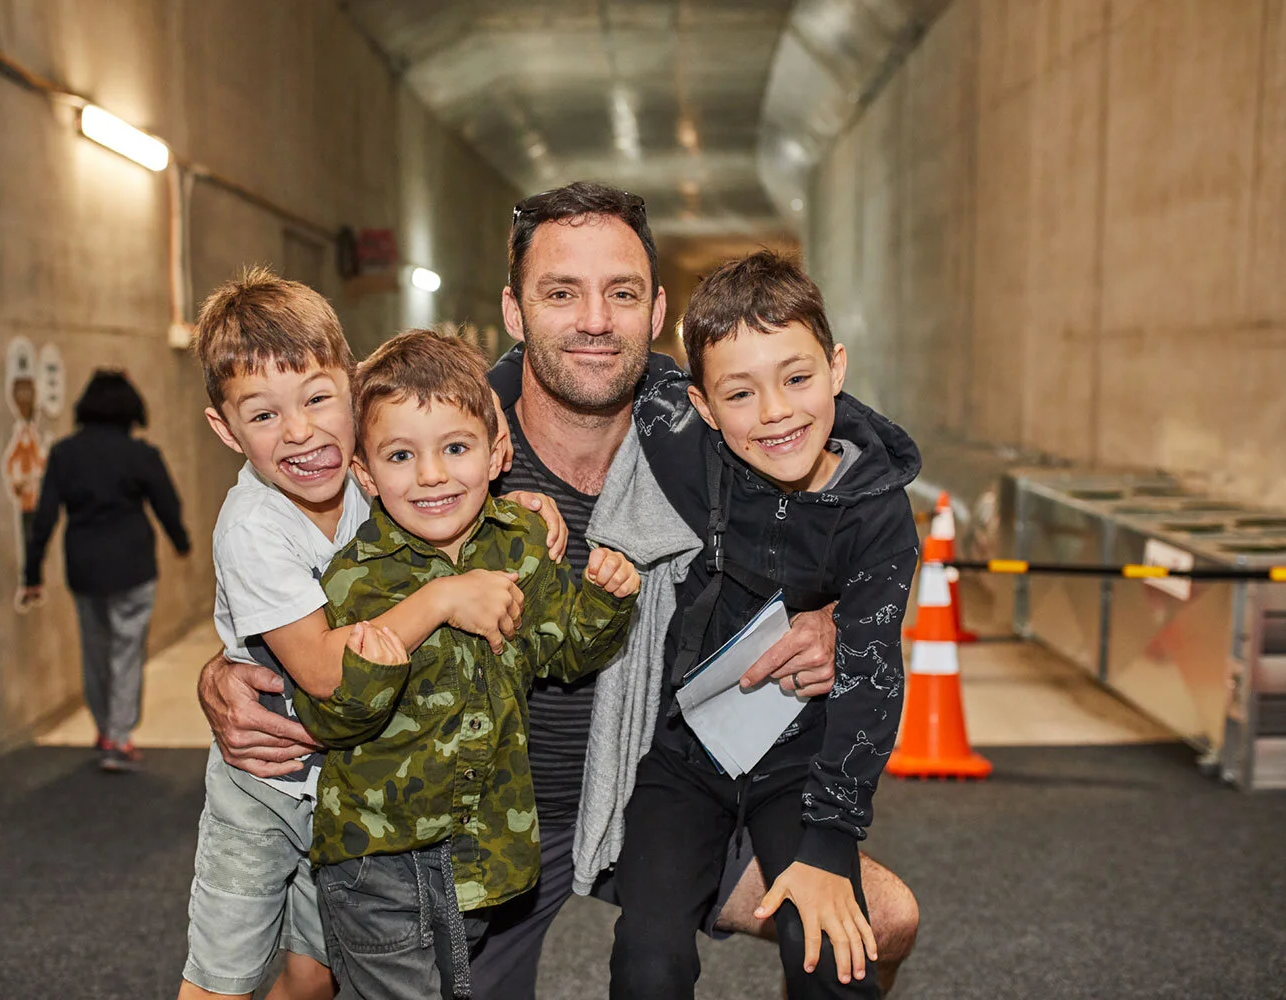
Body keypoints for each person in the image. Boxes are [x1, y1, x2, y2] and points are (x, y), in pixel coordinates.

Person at [196, 183, 921, 995]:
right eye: (561, 293)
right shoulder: (435, 438)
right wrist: (226, 666)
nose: (594, 320)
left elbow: (838, 467)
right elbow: (296, 511)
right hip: (487, 812)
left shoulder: (713, 430)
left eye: (621, 293)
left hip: (666, 786)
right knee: (332, 967)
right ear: (514, 310)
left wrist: (833, 617)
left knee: (879, 920)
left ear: (656, 313)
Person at [177, 270, 568, 1000]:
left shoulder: (367, 476)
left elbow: (442, 492)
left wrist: (517, 509)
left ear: (351, 388)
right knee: (221, 981)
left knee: (315, 974)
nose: (300, 431)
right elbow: (326, 671)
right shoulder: (255, 527)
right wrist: (444, 599)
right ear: (225, 429)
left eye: (319, 399)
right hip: (264, 791)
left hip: (347, 793)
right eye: (263, 416)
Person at [606, 249, 920, 998]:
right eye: (740, 394)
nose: (776, 412)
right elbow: (575, 364)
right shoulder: (679, 433)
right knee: (649, 962)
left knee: (833, 955)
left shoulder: (878, 511)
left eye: (797, 377)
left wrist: (831, 842)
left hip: (800, 766)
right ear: (705, 407)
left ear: (836, 368)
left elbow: (872, 677)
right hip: (681, 760)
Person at [292, 330, 639, 1000]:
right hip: (376, 863)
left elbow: (565, 652)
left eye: (455, 447)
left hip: (484, 857)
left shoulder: (519, 546)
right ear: (365, 473)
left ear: (495, 453)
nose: (431, 475)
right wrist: (398, 648)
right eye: (400, 455)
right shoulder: (353, 581)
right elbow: (331, 715)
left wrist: (605, 598)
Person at [21, 369, 190, 773]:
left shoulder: (64, 454)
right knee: (126, 651)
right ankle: (119, 736)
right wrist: (181, 542)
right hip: (132, 566)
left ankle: (104, 729)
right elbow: (168, 504)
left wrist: (32, 572)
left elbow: (43, 518)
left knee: (95, 650)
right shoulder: (141, 456)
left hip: (85, 568)